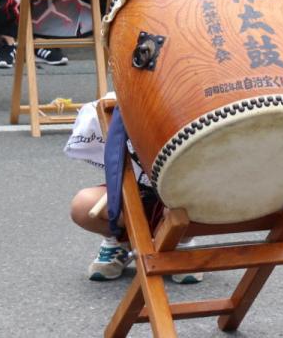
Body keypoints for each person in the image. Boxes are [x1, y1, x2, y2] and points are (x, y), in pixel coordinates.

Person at [66, 96, 202, 284]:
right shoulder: (122, 99)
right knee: (82, 206)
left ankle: (180, 244)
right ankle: (121, 243)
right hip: (134, 192)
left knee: (190, 203)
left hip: (179, 194)